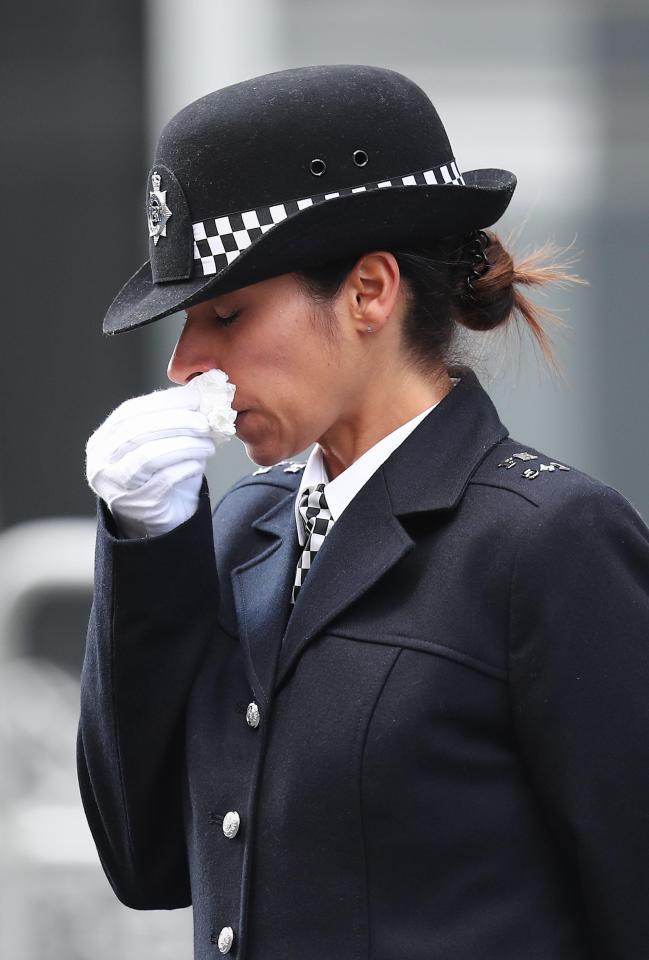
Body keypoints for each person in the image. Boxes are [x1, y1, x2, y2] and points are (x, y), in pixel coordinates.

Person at [76, 64, 649, 960]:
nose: (185, 364)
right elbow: (146, 861)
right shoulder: (243, 529)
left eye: (225, 312)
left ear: (369, 291)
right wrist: (147, 547)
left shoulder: (547, 538)